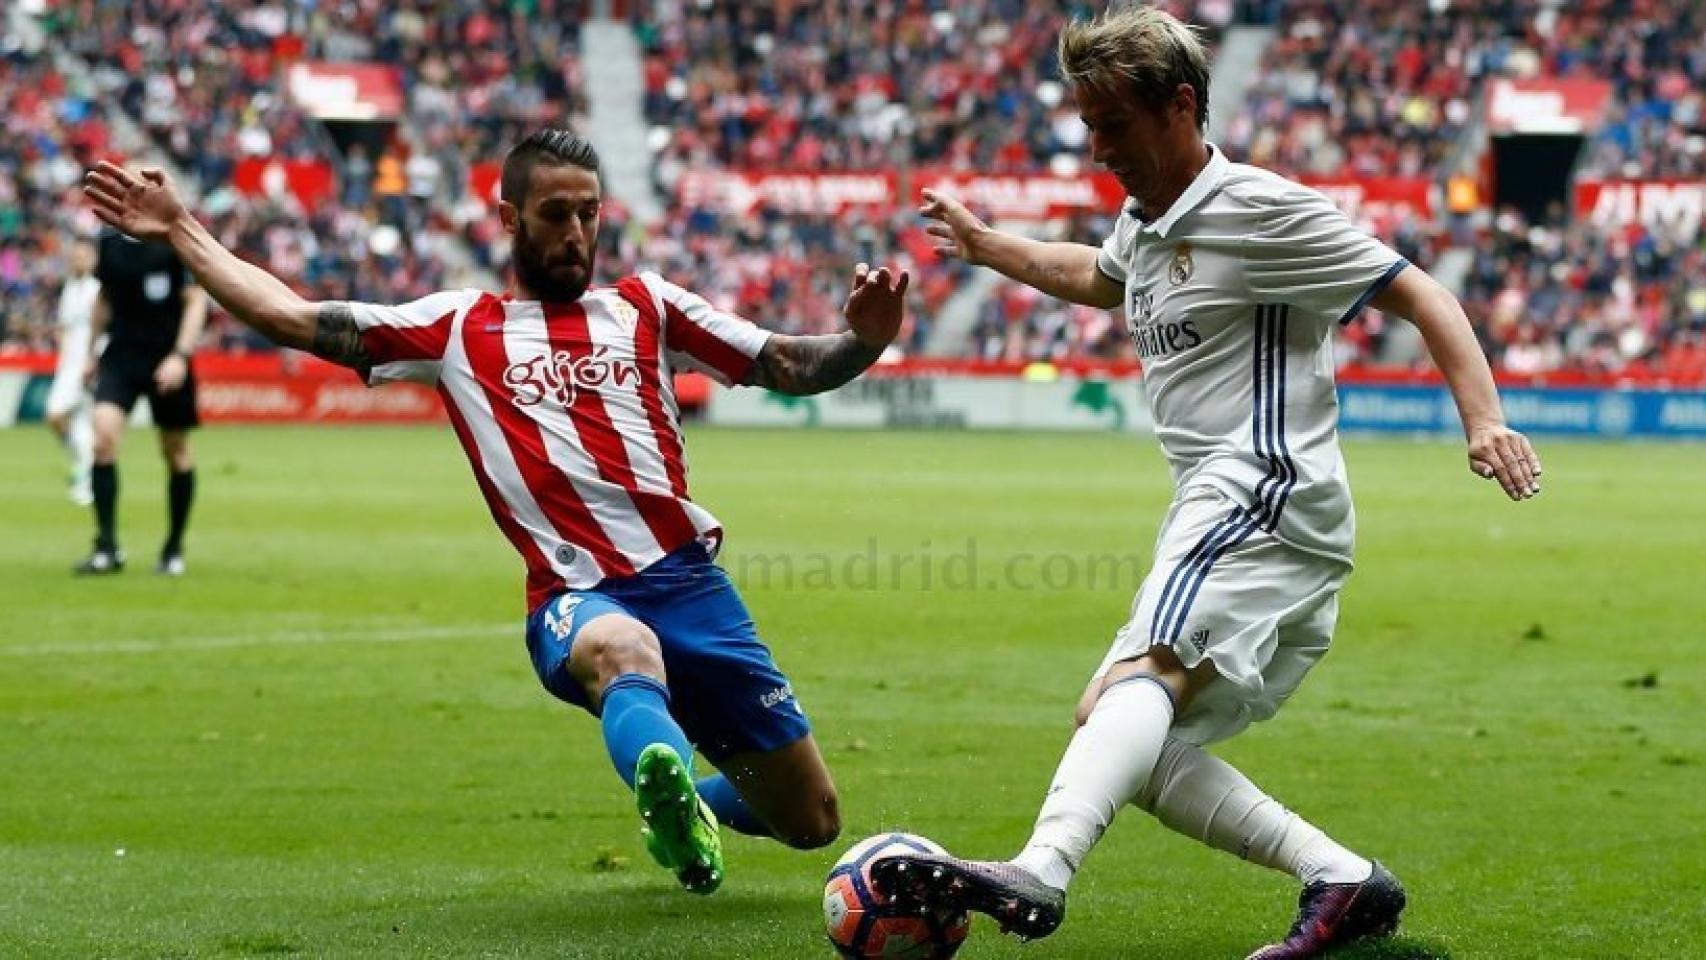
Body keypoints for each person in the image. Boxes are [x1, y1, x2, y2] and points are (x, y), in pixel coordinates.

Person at [870, 9, 1543, 959]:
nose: (1098, 148)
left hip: (1261, 488)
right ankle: (1343, 879)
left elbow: (1419, 290)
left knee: (1133, 693)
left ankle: (1043, 869)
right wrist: (989, 247)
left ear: (1181, 107)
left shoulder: (1258, 209)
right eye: (1089, 125)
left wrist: (1484, 421)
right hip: (1237, 507)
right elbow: (1102, 278)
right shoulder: (1150, 218)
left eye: (1114, 125)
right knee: (1121, 731)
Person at [82, 129, 911, 895]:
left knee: (812, 821)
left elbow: (786, 362)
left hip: (692, 586)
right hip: (576, 596)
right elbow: (290, 316)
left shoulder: (649, 307)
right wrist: (182, 225)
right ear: (509, 217)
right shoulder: (456, 328)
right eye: (556, 215)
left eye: (590, 214)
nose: (577, 233)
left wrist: (864, 344)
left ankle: (687, 806)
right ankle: (659, 770)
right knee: (624, 650)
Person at [76, 221, 208, 576]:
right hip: (121, 356)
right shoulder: (109, 242)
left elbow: (195, 302)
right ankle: (106, 547)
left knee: (175, 449)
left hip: (167, 357)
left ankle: (173, 547)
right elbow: (103, 300)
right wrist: (89, 352)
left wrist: (180, 355)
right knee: (102, 437)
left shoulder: (175, 239)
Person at [44, 238, 100, 506]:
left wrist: (95, 360)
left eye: (82, 256)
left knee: (84, 425)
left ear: (92, 259)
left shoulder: (97, 290)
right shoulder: (69, 289)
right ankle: (81, 462)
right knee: (55, 415)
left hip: (89, 366)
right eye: (75, 256)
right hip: (68, 366)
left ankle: (85, 483)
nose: (78, 261)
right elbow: (64, 329)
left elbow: (103, 330)